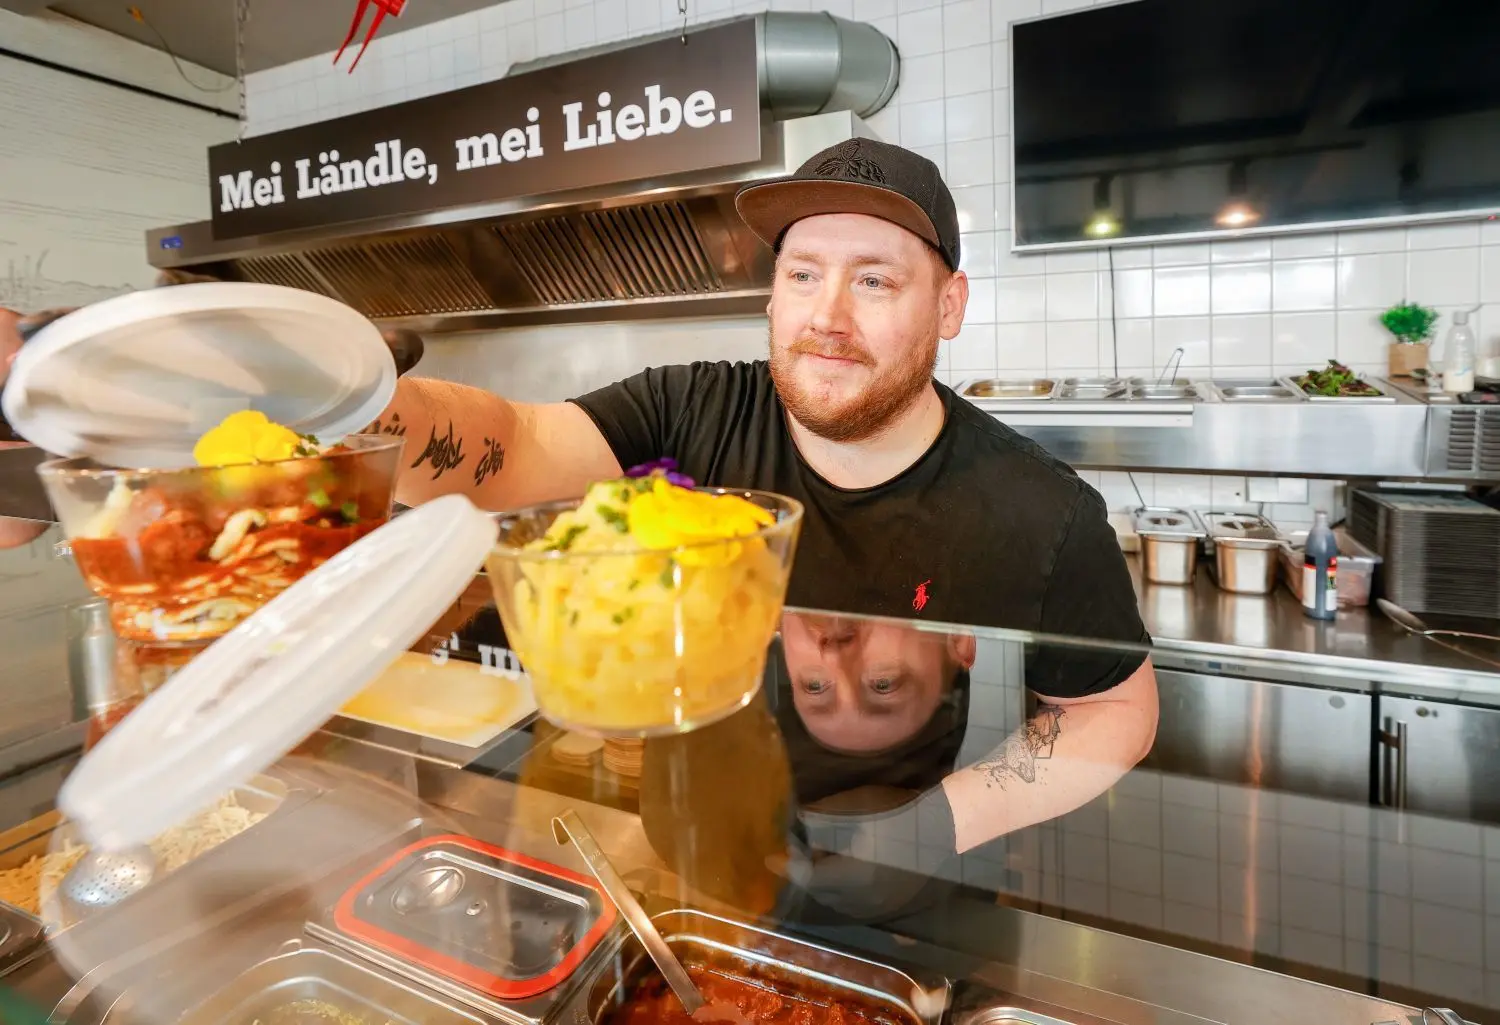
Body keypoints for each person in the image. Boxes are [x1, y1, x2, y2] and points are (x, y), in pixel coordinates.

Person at [0, 139, 1157, 852]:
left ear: (948, 305)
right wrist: (321, 401)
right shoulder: (694, 406)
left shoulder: (1035, 507)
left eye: (876, 280)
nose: (828, 314)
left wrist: (940, 826)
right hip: (667, 836)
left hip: (903, 879)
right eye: (802, 273)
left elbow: (1113, 711)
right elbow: (506, 445)